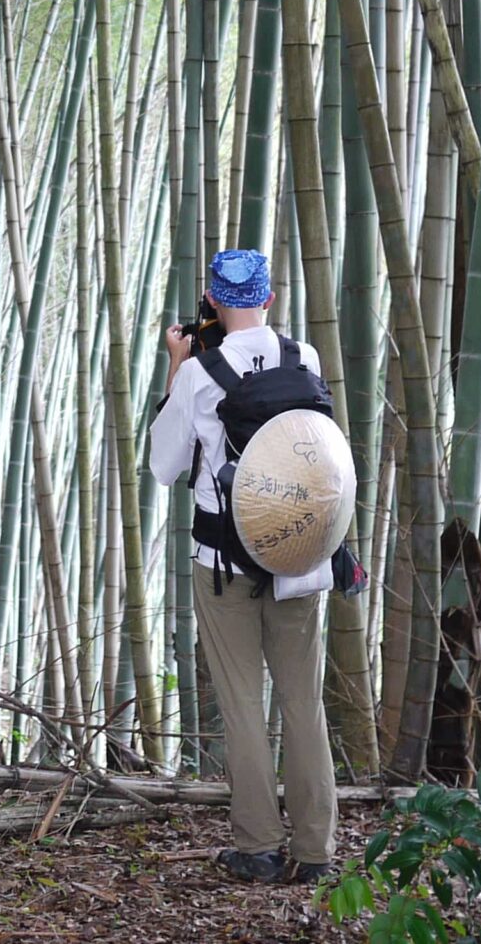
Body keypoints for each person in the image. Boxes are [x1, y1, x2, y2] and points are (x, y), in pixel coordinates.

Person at [148, 246, 339, 885]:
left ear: (212, 301)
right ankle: (315, 851)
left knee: (242, 703)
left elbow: (164, 466)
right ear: (270, 298)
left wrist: (177, 367)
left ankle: (257, 846)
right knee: (302, 701)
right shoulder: (303, 358)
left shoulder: (201, 374)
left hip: (223, 561)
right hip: (299, 556)